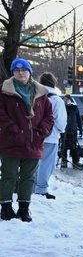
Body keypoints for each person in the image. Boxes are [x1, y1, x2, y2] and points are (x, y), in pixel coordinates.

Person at [0, 58, 54, 221]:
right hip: (11, 142)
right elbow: (1, 114)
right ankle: (6, 208)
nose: (21, 73)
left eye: (24, 70)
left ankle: (24, 208)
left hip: (34, 143)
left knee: (28, 178)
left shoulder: (41, 93)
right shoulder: (4, 92)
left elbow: (49, 115)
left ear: (30, 72)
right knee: (8, 176)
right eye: (17, 70)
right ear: (13, 73)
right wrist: (14, 130)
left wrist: (42, 131)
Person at [32, 73, 66, 200]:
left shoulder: (35, 97)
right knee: (46, 164)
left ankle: (31, 186)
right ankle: (41, 188)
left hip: (34, 136)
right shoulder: (57, 100)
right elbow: (61, 123)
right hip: (50, 137)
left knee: (33, 163)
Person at [60, 94, 82, 169]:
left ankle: (75, 161)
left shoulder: (74, 108)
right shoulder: (62, 107)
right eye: (64, 99)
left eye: (67, 99)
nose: (66, 101)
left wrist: (80, 129)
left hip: (73, 129)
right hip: (64, 129)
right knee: (64, 146)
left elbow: (78, 119)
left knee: (74, 146)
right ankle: (64, 161)